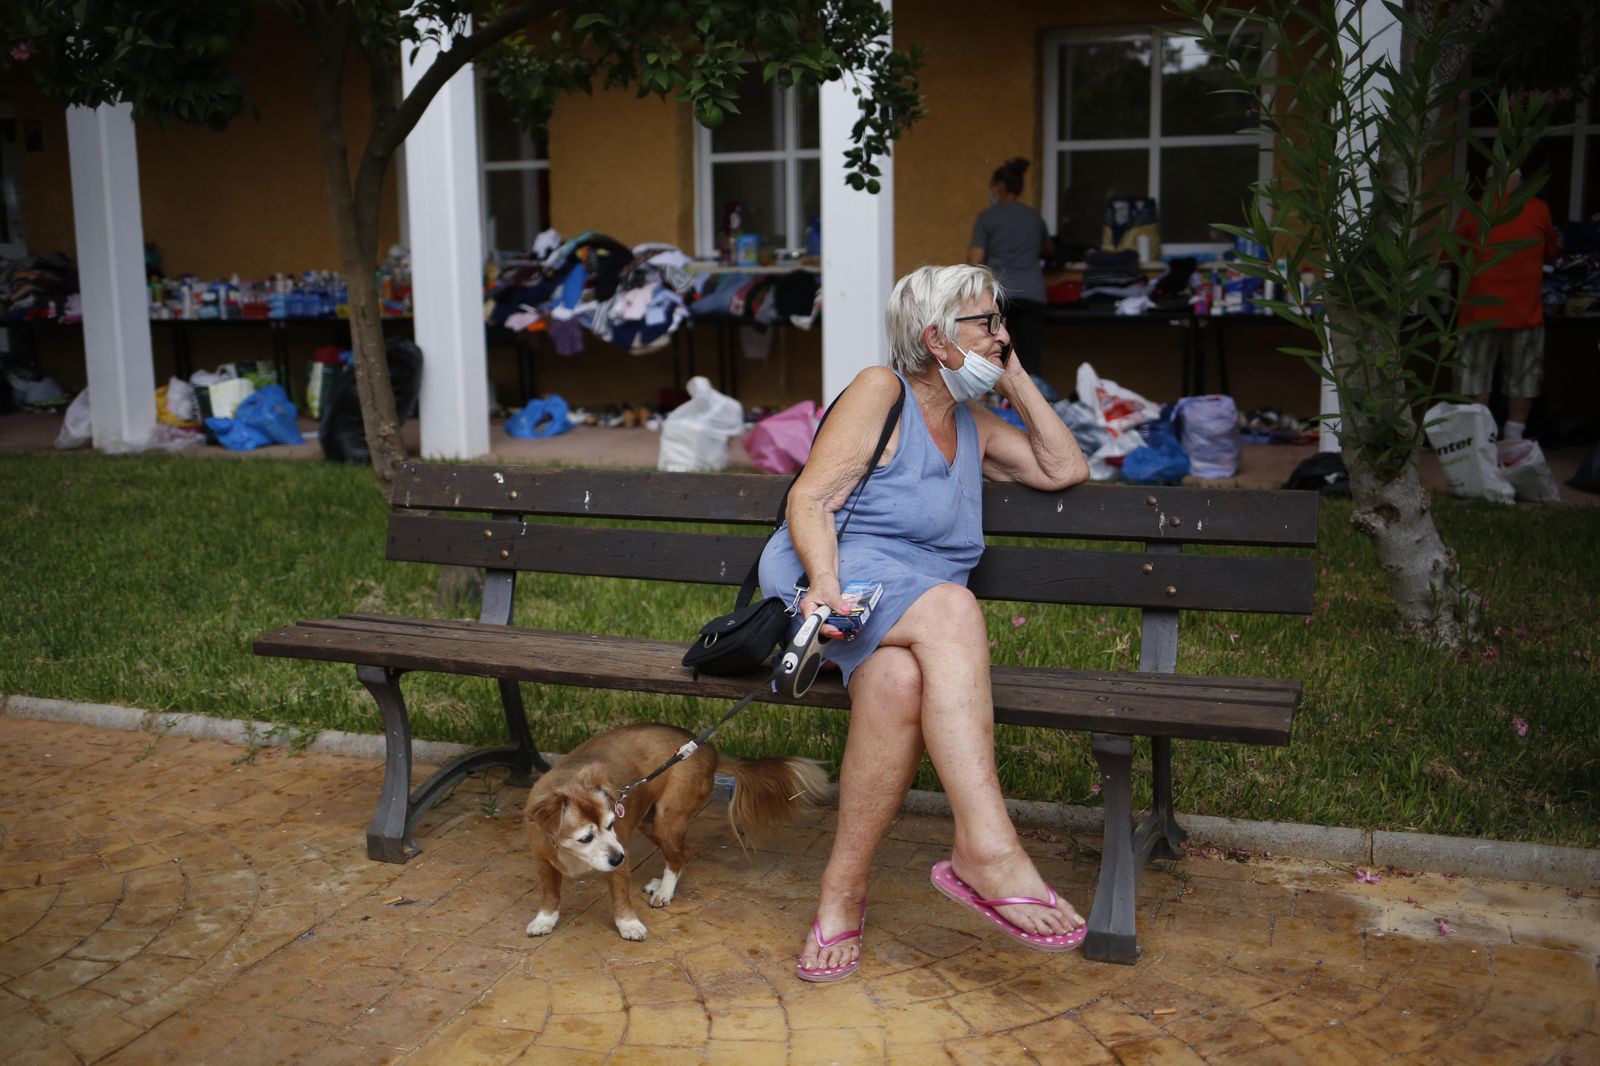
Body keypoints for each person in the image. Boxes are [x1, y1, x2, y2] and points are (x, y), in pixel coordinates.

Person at [760, 264, 1091, 982]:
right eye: (987, 324)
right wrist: (824, 584)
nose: (1002, 335)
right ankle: (987, 849)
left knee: (899, 683)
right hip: (840, 580)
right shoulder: (882, 391)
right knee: (953, 604)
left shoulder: (973, 423)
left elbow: (1064, 469)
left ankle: (840, 893)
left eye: (1002, 324)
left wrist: (1012, 374)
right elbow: (811, 500)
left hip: (916, 614)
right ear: (938, 340)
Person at [1452, 169, 1561, 440]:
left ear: (1489, 184)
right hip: (1524, 310)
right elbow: (1552, 252)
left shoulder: (1475, 210)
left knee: (1475, 373)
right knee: (1524, 374)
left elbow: (1451, 252)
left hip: (1479, 311)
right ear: (1519, 183)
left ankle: (1480, 437)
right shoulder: (1538, 210)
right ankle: (1514, 436)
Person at [968, 158, 1054, 376]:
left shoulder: (987, 218)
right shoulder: (1035, 218)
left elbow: (975, 260)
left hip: (999, 295)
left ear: (1000, 187)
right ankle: (1031, 394)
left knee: (994, 353)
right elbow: (1049, 249)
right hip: (1033, 295)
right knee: (1030, 358)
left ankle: (998, 396)